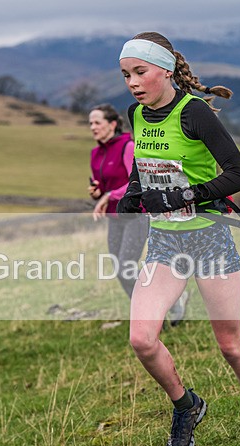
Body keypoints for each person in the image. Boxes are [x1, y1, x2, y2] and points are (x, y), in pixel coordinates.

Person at [116, 31, 240, 446]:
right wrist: (132, 193)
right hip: (164, 243)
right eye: (126, 75)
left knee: (230, 345)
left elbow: (239, 175)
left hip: (209, 238)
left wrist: (182, 196)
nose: (132, 83)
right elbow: (143, 164)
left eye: (139, 72)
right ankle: (186, 405)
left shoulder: (194, 113)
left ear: (164, 70)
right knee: (141, 339)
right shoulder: (136, 114)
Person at [88, 103, 188, 325]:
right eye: (90, 123)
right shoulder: (95, 153)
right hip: (114, 218)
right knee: (120, 269)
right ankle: (155, 310)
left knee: (126, 265)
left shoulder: (128, 147)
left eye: (97, 122)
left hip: (136, 214)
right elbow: (102, 186)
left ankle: (156, 312)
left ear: (112, 124)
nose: (93, 127)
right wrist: (98, 193)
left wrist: (109, 195)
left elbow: (139, 180)